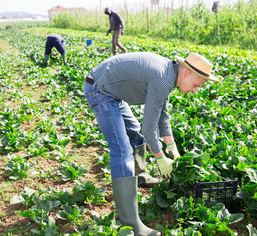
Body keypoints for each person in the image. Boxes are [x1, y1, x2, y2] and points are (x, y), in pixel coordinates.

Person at [84, 52, 219, 235]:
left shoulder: (169, 75)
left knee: (135, 137)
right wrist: (161, 159)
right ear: (186, 73)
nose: (195, 90)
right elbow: (149, 129)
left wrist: (172, 148)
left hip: (111, 89)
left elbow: (162, 115)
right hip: (100, 89)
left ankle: (140, 177)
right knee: (122, 150)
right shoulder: (163, 79)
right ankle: (131, 222)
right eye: (196, 85)